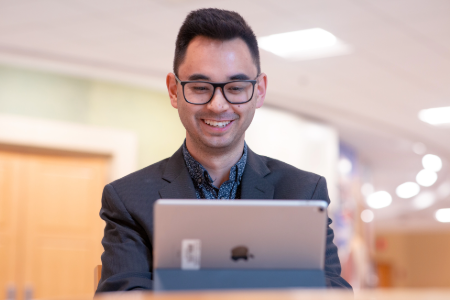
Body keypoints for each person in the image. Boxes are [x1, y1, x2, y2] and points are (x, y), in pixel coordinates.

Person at [96, 8, 352, 292]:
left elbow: (332, 292)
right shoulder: (128, 200)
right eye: (200, 87)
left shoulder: (303, 192)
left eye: (236, 87)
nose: (217, 105)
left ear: (259, 91)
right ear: (173, 90)